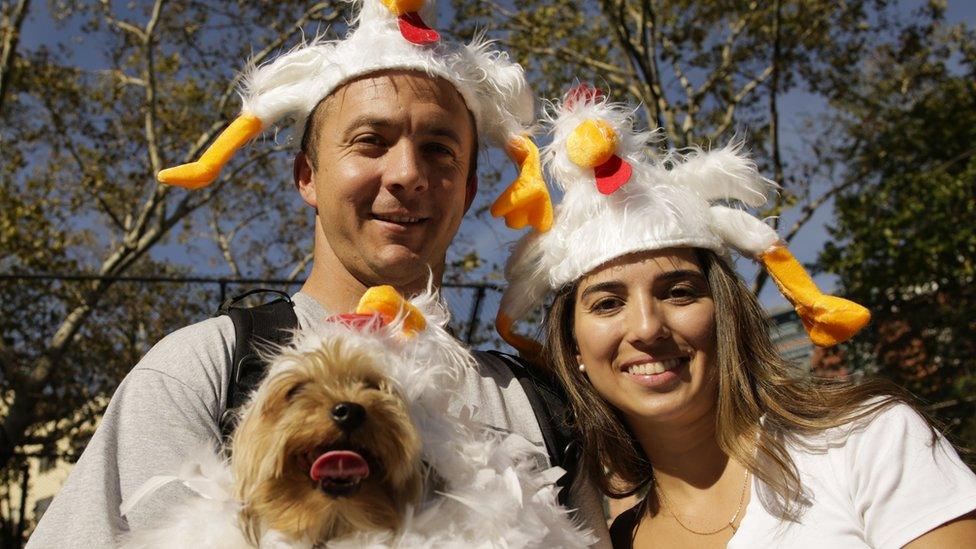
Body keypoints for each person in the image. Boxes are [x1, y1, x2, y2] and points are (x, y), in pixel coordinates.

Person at [27, 3, 606, 547]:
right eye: (371, 142)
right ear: (307, 174)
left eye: (439, 150)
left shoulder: (540, 407)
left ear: (470, 190)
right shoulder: (198, 372)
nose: (407, 173)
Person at [496, 86, 976, 548]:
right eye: (607, 303)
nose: (646, 328)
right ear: (574, 347)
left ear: (725, 312)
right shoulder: (604, 540)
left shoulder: (866, 442)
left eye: (679, 293)